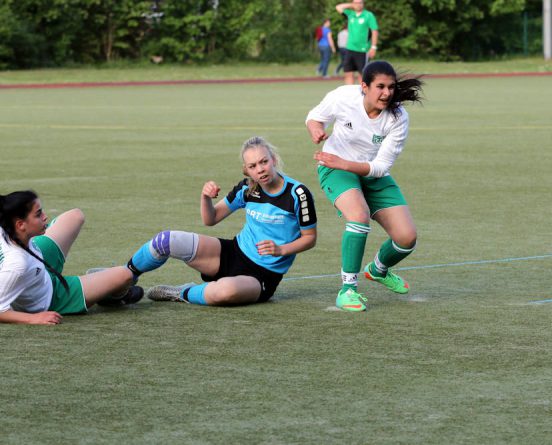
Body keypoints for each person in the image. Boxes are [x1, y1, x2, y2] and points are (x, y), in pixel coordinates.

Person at [126, 137, 317, 306]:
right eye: (252, 166)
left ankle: (181, 293)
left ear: (273, 160)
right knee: (166, 240)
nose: (260, 170)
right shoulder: (247, 189)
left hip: (263, 275)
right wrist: (205, 197)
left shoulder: (298, 194)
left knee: (225, 291)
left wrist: (281, 250)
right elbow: (211, 219)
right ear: (247, 170)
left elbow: (310, 238)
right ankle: (124, 279)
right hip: (233, 253)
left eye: (264, 162)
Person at [305, 61, 424, 312]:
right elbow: (314, 117)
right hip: (335, 169)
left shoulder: (398, 117)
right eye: (380, 87)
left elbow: (380, 167)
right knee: (358, 216)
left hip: (368, 172)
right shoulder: (343, 97)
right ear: (364, 86)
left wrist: (345, 163)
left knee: (407, 238)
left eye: (391, 87)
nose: (387, 93)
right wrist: (316, 130)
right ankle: (347, 289)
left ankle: (378, 270)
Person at [0, 191, 142, 325]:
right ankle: (111, 296)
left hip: (37, 256)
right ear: (20, 224)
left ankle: (101, 282)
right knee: (125, 275)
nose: (45, 217)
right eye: (38, 215)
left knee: (75, 216)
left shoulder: (7, 226)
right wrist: (34, 318)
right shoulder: (17, 264)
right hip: (52, 296)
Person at [335, 1, 379, 85]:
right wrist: (352, 5)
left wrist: (373, 47)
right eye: (356, 2)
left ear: (363, 3)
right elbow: (338, 7)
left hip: (362, 50)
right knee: (348, 73)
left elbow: (374, 31)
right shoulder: (350, 14)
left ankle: (361, 95)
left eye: (360, 2)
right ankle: (350, 95)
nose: (358, 4)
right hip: (350, 48)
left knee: (362, 75)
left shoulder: (368, 15)